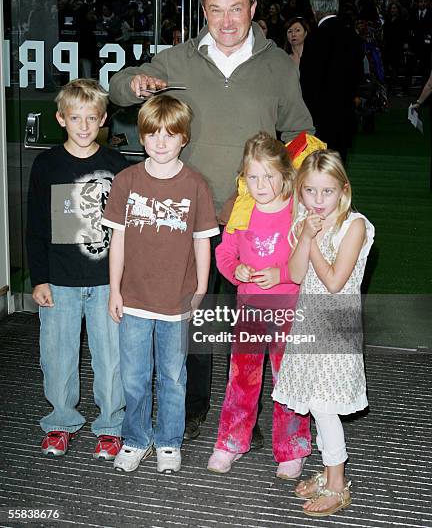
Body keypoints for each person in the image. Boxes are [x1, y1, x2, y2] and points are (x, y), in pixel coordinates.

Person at [109, 0, 314, 442]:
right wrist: (135, 83)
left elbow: (303, 133)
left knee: (253, 323)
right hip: (187, 213)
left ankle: (247, 412)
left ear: (253, 10)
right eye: (216, 9)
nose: (226, 21)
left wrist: (302, 198)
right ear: (204, 11)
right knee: (196, 316)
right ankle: (198, 407)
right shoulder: (176, 60)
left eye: (236, 8)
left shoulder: (278, 64)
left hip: (256, 219)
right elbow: (118, 90)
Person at [101, 95, 219, 474]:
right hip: (134, 299)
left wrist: (200, 287)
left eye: (170, 134)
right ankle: (135, 438)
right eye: (153, 134)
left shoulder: (196, 184)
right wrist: (114, 289)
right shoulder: (126, 181)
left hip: (177, 302)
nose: (161, 142)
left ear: (184, 137)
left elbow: (203, 239)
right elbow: (116, 239)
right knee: (134, 378)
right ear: (142, 136)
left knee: (173, 376)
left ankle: (169, 441)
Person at [26, 79, 129, 459]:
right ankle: (60, 421)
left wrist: (123, 283)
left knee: (111, 357)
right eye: (75, 118)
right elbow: (35, 227)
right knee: (57, 354)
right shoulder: (47, 165)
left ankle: (111, 425)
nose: (83, 126)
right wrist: (39, 279)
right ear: (60, 119)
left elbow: (125, 231)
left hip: (106, 282)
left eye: (91, 118)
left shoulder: (117, 166)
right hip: (60, 283)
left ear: (103, 119)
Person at [273, 150, 375, 517]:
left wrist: (312, 240)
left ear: (343, 191)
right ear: (300, 192)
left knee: (325, 405)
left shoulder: (355, 226)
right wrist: (304, 236)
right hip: (308, 321)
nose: (318, 201)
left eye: (327, 192)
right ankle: (329, 470)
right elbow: (298, 274)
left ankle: (337, 484)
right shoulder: (305, 221)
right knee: (316, 403)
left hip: (336, 326)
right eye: (310, 191)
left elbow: (333, 281)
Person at [207, 133, 311, 477]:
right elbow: (224, 253)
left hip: (288, 309)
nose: (261, 184)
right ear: (243, 177)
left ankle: (292, 448)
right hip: (249, 310)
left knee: (288, 378)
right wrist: (235, 269)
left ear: (285, 174)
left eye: (268, 176)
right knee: (242, 377)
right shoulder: (242, 207)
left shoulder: (297, 210)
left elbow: (310, 258)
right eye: (253, 177)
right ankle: (231, 442)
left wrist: (280, 273)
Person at [300, 0, 363, 162]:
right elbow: (357, 77)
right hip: (344, 119)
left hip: (319, 122)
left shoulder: (315, 38)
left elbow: (307, 84)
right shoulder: (353, 36)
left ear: (314, 7)